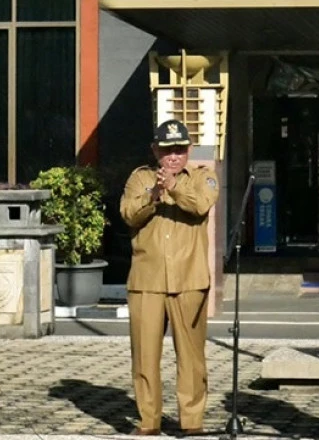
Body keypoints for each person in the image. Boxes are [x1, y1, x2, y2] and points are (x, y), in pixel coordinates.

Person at [119, 119, 219, 436]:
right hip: (147, 281)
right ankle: (148, 421)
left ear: (189, 150)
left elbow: (201, 206)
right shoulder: (140, 178)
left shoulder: (204, 177)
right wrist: (154, 195)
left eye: (179, 149)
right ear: (155, 150)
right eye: (166, 150)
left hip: (189, 280)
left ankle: (192, 422)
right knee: (145, 356)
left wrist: (174, 188)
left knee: (191, 357)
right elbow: (128, 214)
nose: (173, 156)